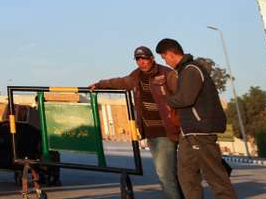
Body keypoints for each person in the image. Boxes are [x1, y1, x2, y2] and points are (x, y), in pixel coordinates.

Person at [90, 46, 183, 199]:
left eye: (144, 58)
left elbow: (181, 97)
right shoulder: (137, 75)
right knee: (169, 173)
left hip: (166, 130)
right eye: (138, 59)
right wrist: (100, 84)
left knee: (164, 174)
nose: (141, 62)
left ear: (152, 58)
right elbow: (120, 82)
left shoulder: (167, 74)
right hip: (151, 133)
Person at [153, 38, 238, 199]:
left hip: (201, 131)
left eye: (164, 57)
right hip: (189, 133)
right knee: (186, 174)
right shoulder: (183, 71)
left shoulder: (191, 70)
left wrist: (165, 97)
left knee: (215, 176)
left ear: (170, 54)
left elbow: (185, 99)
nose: (165, 61)